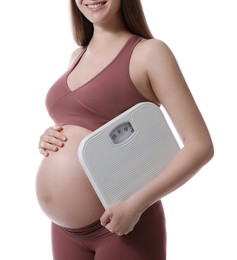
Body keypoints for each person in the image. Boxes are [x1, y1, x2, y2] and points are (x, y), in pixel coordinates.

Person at [37, 1, 214, 259]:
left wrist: (135, 206)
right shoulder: (76, 56)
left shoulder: (150, 53)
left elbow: (200, 146)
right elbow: (88, 128)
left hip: (123, 225)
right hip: (65, 230)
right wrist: (51, 138)